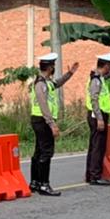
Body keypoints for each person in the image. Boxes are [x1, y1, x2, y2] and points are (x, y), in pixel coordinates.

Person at [29, 52, 78, 196]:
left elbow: (57, 83)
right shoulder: (40, 84)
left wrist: (70, 74)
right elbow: (43, 104)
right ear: (50, 68)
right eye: (53, 66)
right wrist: (52, 124)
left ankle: (35, 182)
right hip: (42, 121)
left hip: (40, 120)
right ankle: (44, 184)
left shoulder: (46, 82)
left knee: (39, 151)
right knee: (46, 152)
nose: (54, 68)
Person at [85, 52, 110, 186]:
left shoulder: (100, 77)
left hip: (98, 115)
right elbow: (94, 100)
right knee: (98, 146)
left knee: (95, 145)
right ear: (106, 65)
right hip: (98, 115)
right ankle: (95, 175)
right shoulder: (96, 80)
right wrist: (100, 118)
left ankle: (91, 174)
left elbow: (109, 75)